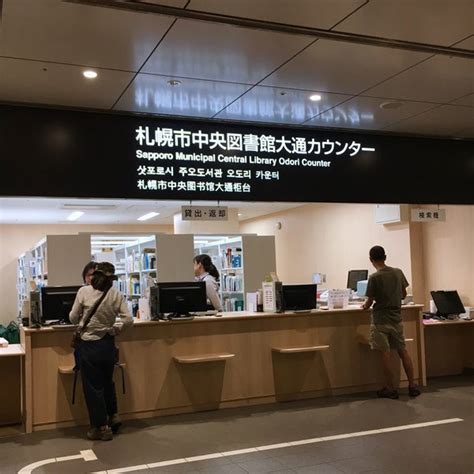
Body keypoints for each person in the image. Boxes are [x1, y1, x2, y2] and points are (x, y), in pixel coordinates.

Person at [70, 262, 133, 440]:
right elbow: (128, 319)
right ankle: (113, 416)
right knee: (107, 381)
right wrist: (114, 329)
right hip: (107, 343)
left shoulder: (83, 292)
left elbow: (73, 317)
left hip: (89, 345)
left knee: (93, 387)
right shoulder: (115, 293)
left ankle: (100, 427)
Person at [362, 245, 421, 399]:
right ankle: (412, 385)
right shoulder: (398, 272)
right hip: (396, 318)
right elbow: (403, 293)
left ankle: (390, 388)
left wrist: (364, 306)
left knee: (385, 353)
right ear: (385, 257)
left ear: (371, 259)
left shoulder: (374, 277)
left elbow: (369, 301)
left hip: (380, 319)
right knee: (403, 350)